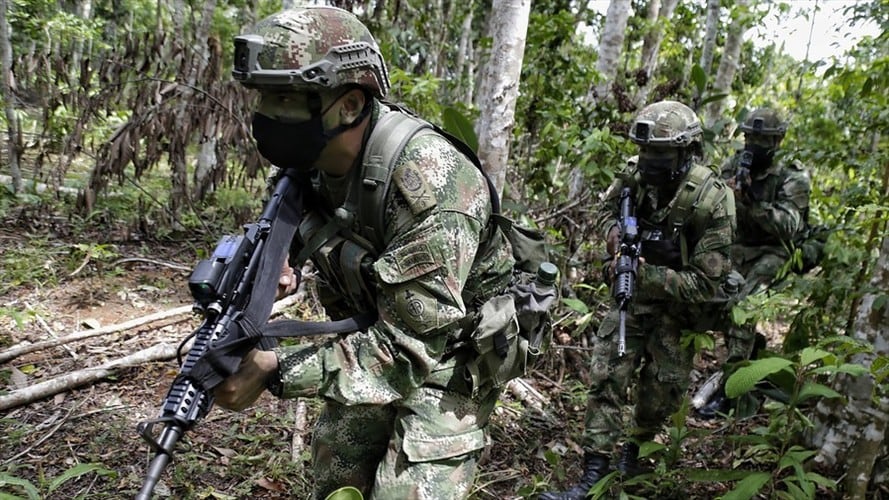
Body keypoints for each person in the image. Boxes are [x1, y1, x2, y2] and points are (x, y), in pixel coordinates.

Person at [212, 6, 519, 499]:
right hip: (372, 330)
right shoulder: (308, 164)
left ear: (350, 104)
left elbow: (406, 352)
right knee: (336, 477)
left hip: (450, 354)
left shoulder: (434, 184)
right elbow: (293, 222)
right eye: (264, 97)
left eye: (287, 98)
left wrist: (274, 369)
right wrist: (274, 266)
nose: (269, 115)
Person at [539, 101, 736, 499]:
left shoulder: (712, 200)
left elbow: (706, 284)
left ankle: (635, 453)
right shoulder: (632, 175)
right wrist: (615, 237)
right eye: (645, 151)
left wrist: (647, 275)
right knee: (607, 378)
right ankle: (593, 474)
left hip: (681, 310)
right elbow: (604, 211)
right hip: (633, 299)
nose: (649, 161)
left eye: (660, 154)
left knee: (660, 393)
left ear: (685, 152)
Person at [696, 107, 812, 418]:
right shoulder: (735, 164)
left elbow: (789, 226)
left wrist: (752, 201)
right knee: (699, 287)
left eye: (762, 139)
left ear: (778, 141)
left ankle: (731, 390)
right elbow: (707, 201)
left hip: (773, 251)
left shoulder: (792, 175)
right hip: (737, 247)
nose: (753, 145)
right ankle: (749, 350)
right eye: (749, 137)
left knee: (743, 306)